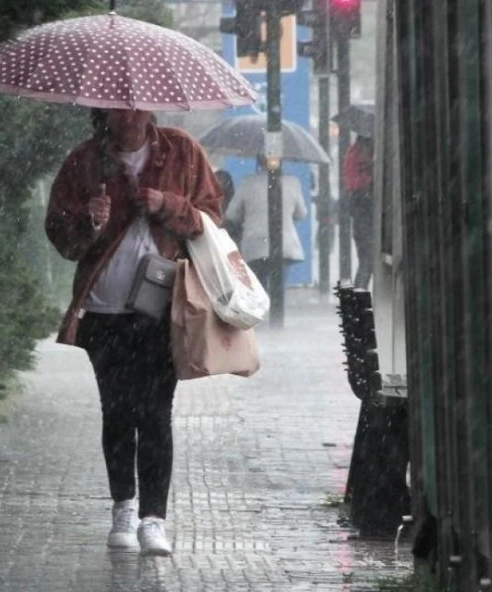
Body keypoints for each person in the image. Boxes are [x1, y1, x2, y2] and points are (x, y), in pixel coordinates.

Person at [45, 108, 223, 556]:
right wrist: (89, 221)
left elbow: (212, 221)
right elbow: (62, 239)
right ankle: (123, 508)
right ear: (103, 111)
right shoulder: (84, 161)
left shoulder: (181, 151)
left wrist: (170, 206)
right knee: (118, 413)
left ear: (151, 107)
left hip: (162, 308)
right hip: (104, 311)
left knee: (156, 414)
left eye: (137, 105)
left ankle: (153, 520)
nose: (130, 115)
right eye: (119, 107)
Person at [224, 155, 309, 289]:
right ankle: (276, 308)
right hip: (284, 243)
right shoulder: (292, 182)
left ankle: (264, 305)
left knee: (258, 286)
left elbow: (231, 214)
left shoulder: (248, 182)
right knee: (278, 286)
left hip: (255, 243)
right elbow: (302, 213)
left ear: (258, 162)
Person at [343, 135, 375, 288]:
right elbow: (356, 182)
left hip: (360, 213)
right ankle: (358, 301)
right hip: (365, 212)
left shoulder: (353, 152)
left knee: (366, 261)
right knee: (368, 262)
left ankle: (358, 302)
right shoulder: (361, 155)